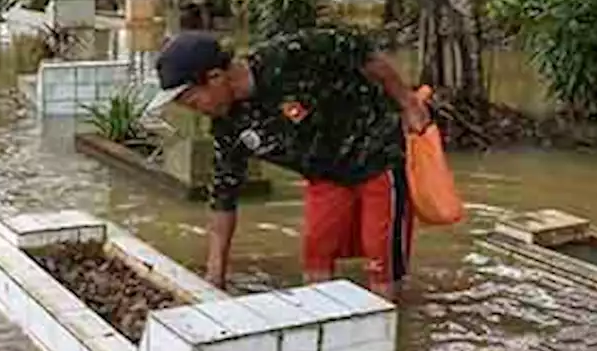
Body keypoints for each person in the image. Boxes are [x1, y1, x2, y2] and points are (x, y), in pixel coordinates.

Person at [147, 27, 430, 301]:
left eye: (194, 101)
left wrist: (408, 103)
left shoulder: (289, 56)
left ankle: (389, 322)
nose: (198, 111)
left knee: (381, 259)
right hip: (325, 174)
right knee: (316, 255)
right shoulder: (228, 125)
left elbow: (363, 51)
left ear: (216, 76)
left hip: (376, 153)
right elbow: (223, 198)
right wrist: (214, 276)